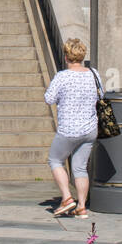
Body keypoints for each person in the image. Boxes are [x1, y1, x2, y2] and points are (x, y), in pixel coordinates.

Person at [43, 38, 99, 218]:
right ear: (82, 56)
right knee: (80, 168)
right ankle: (82, 207)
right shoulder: (93, 74)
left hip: (69, 129)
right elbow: (101, 95)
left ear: (66, 57)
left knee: (55, 160)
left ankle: (67, 197)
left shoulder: (62, 76)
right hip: (89, 129)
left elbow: (49, 98)